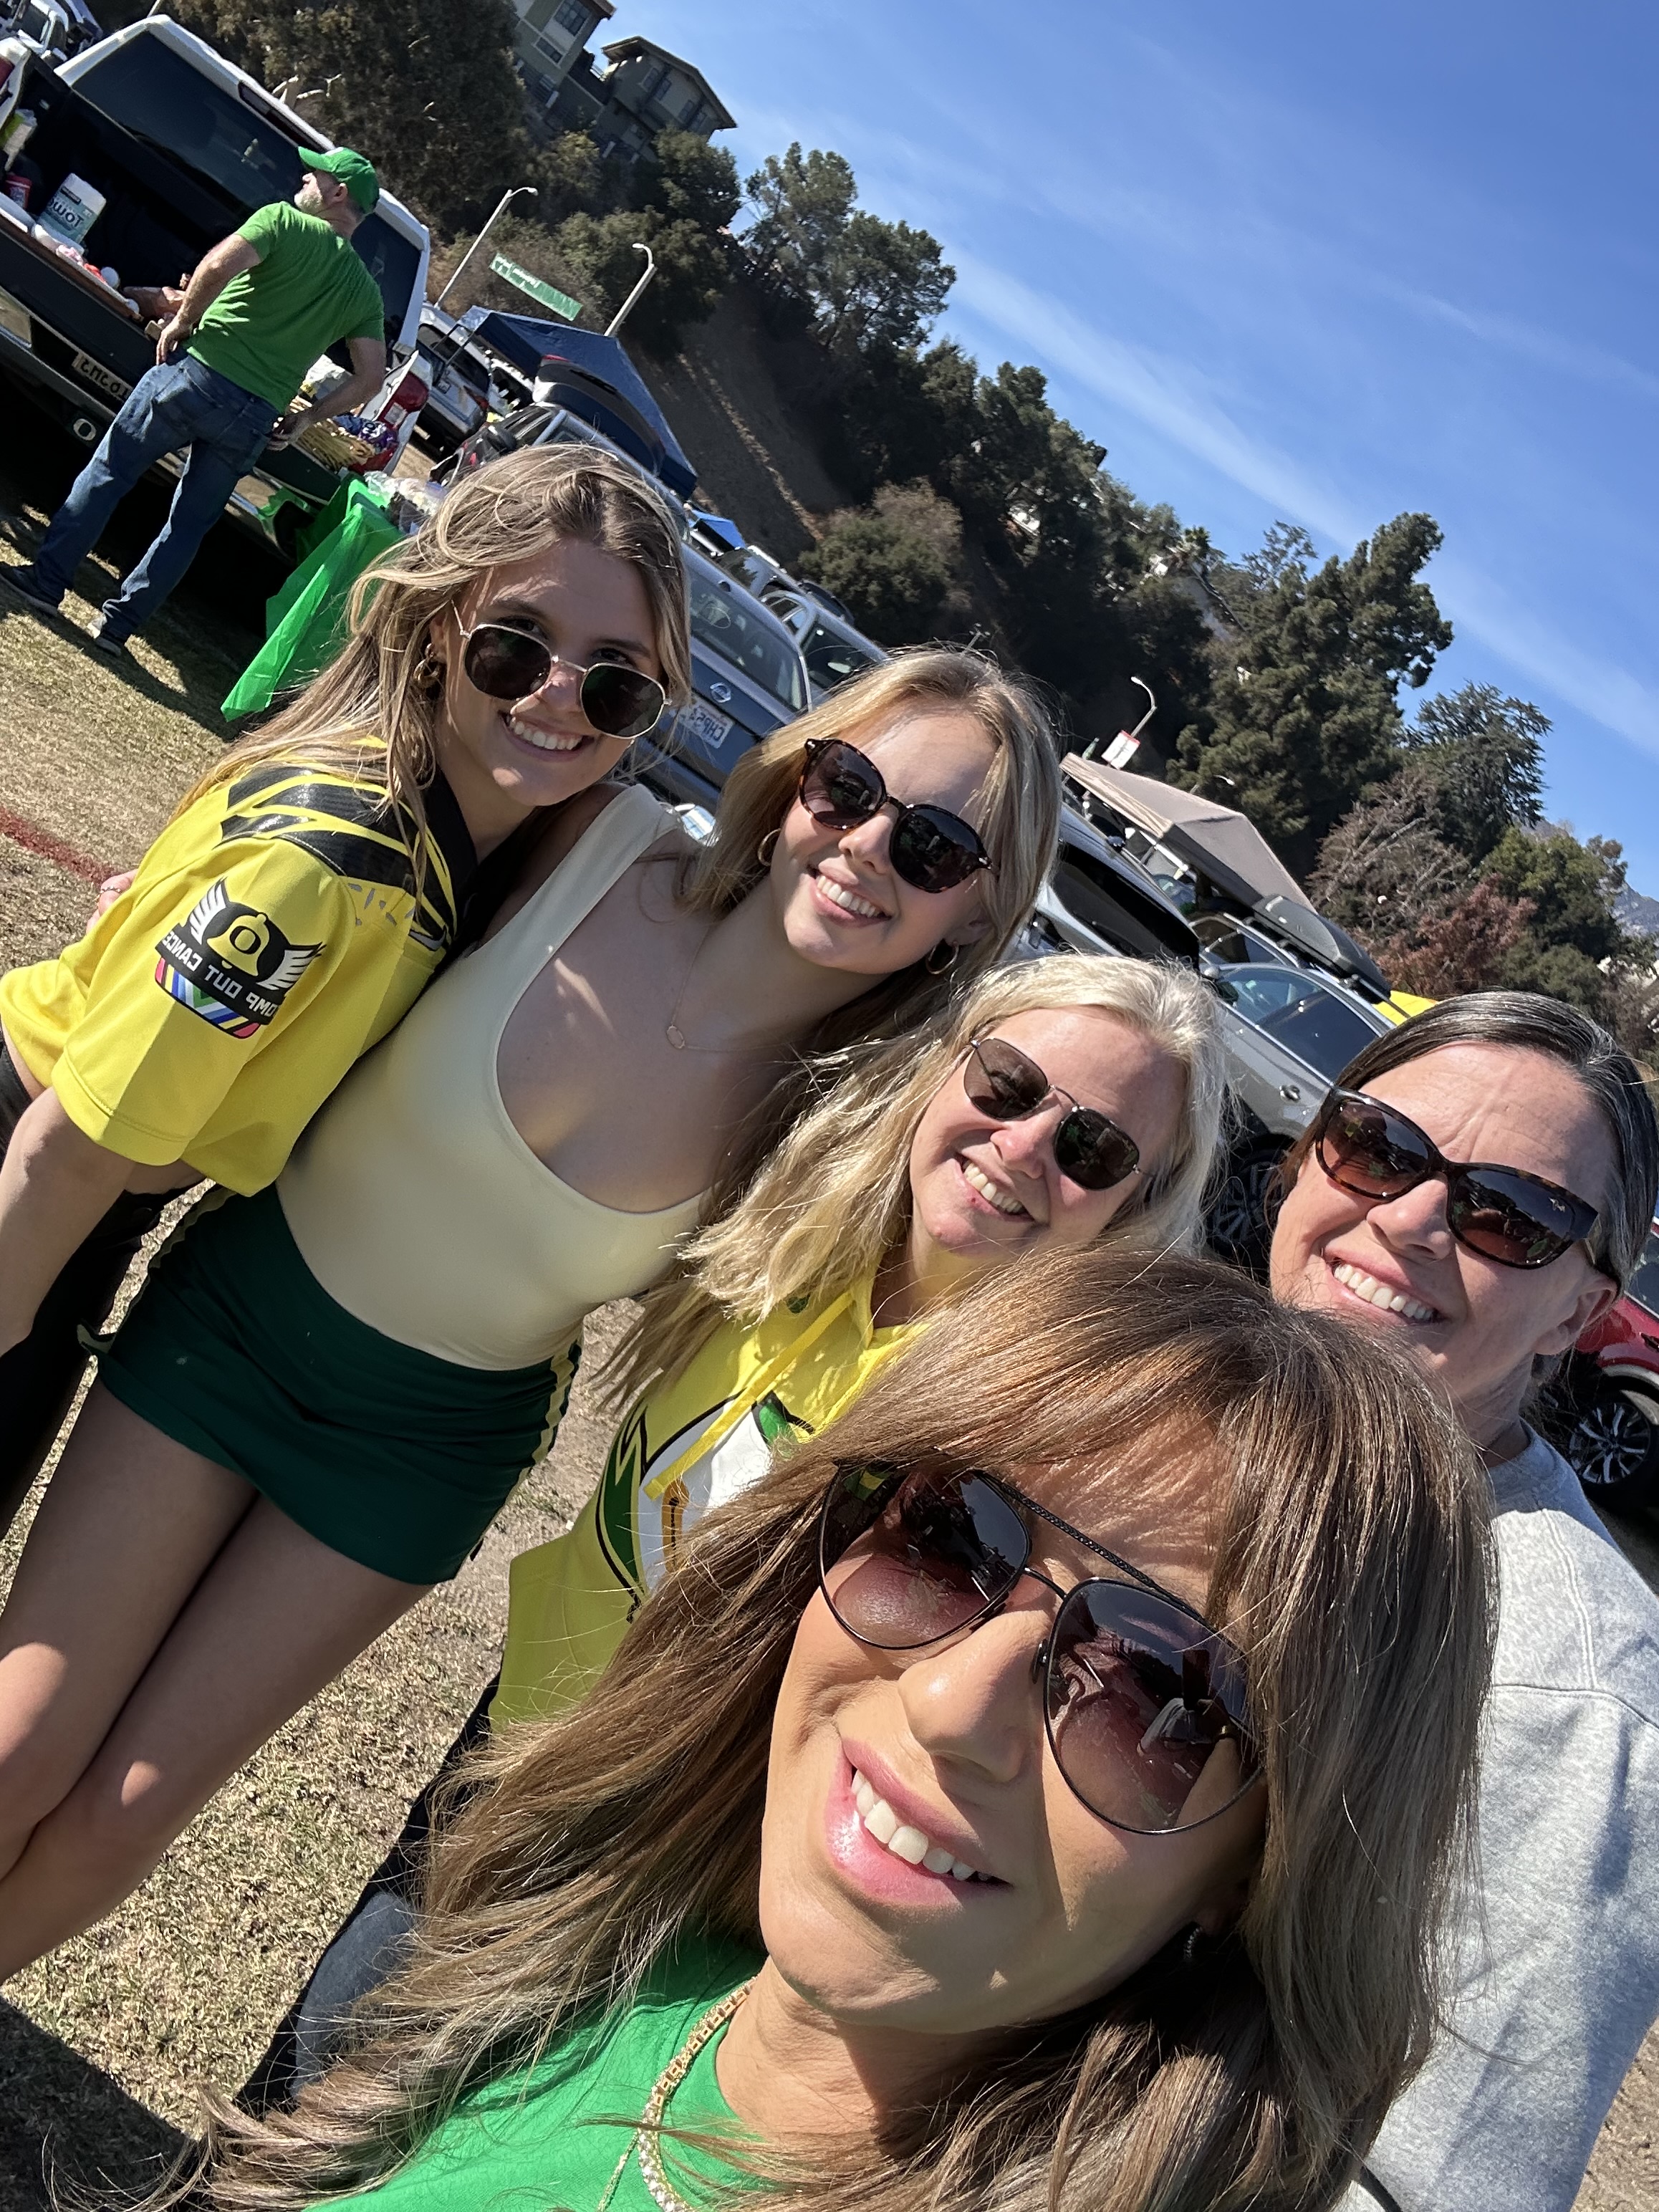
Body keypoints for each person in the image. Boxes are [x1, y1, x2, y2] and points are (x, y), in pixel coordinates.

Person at [0, 644, 1062, 1981]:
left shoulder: (855, 1122)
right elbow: (347, 828)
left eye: (933, 846)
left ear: (976, 908)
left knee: (120, 1816)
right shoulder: (593, 840)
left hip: (419, 1454)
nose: (863, 848)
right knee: (20, 1746)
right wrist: (156, 905)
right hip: (233, 1323)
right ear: (797, 779)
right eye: (847, 787)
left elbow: (986, 1261)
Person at [177, 1245, 1494, 2212]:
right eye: (947, 1535)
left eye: (1160, 1688)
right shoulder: (614, 1952)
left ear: (1261, 1869)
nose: (947, 1703)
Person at [244, 948, 1228, 2102]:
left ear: (1134, 1207)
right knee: (320, 2059)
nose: (1021, 1147)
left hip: (682, 1843)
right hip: (524, 1732)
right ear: (947, 1068)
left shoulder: (1034, 1436)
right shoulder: (794, 1228)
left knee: (427, 2117)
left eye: (1091, 1149)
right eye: (1006, 1084)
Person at [0, 443, 688, 1531]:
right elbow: (70, 1148)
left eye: (616, 679)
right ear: (437, 630)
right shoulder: (331, 864)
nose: (560, 696)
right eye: (515, 646)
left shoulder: (467, 838)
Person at [1266, 990, 1659, 2212]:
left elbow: (1423, 2185)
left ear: (1579, 1312)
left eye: (1512, 1216)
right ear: (1306, 1156)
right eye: (1377, 1146)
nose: (1409, 1218)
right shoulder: (1167, 1416)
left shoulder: (1567, 1689)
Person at [1, 149, 389, 656]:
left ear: (338, 192)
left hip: (198, 375)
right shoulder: (364, 292)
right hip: (254, 416)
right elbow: (371, 378)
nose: (302, 177)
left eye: (314, 174)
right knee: (187, 526)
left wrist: (183, 321)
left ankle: (46, 582)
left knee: (110, 472)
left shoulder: (283, 221)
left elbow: (218, 264)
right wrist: (310, 416)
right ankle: (117, 629)